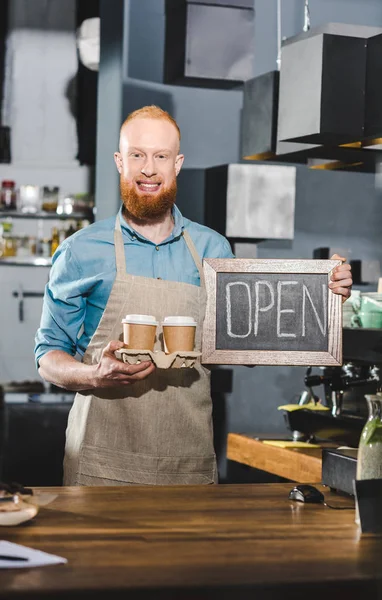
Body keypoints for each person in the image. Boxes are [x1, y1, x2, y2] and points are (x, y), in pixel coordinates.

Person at [35, 105, 353, 486]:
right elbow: (48, 356)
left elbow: (247, 346)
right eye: (137, 155)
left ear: (177, 163)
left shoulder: (213, 250)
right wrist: (94, 374)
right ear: (120, 162)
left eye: (161, 156)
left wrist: (324, 296)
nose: (148, 168)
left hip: (186, 467)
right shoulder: (80, 251)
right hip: (100, 466)